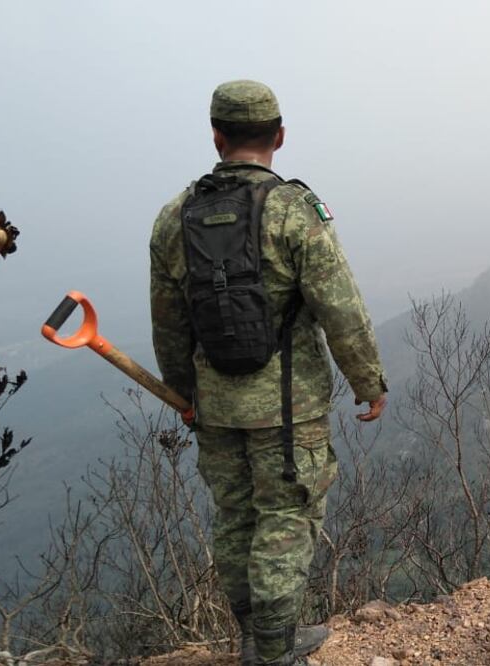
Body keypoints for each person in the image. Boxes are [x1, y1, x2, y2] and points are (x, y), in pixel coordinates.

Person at [149, 79, 387, 666]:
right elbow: (341, 307)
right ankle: (276, 652)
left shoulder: (174, 217)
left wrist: (183, 392)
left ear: (217, 136)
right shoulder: (294, 210)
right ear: (279, 136)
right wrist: (367, 380)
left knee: (236, 520)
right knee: (287, 519)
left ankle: (260, 638)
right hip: (289, 410)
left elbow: (169, 322)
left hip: (215, 408)